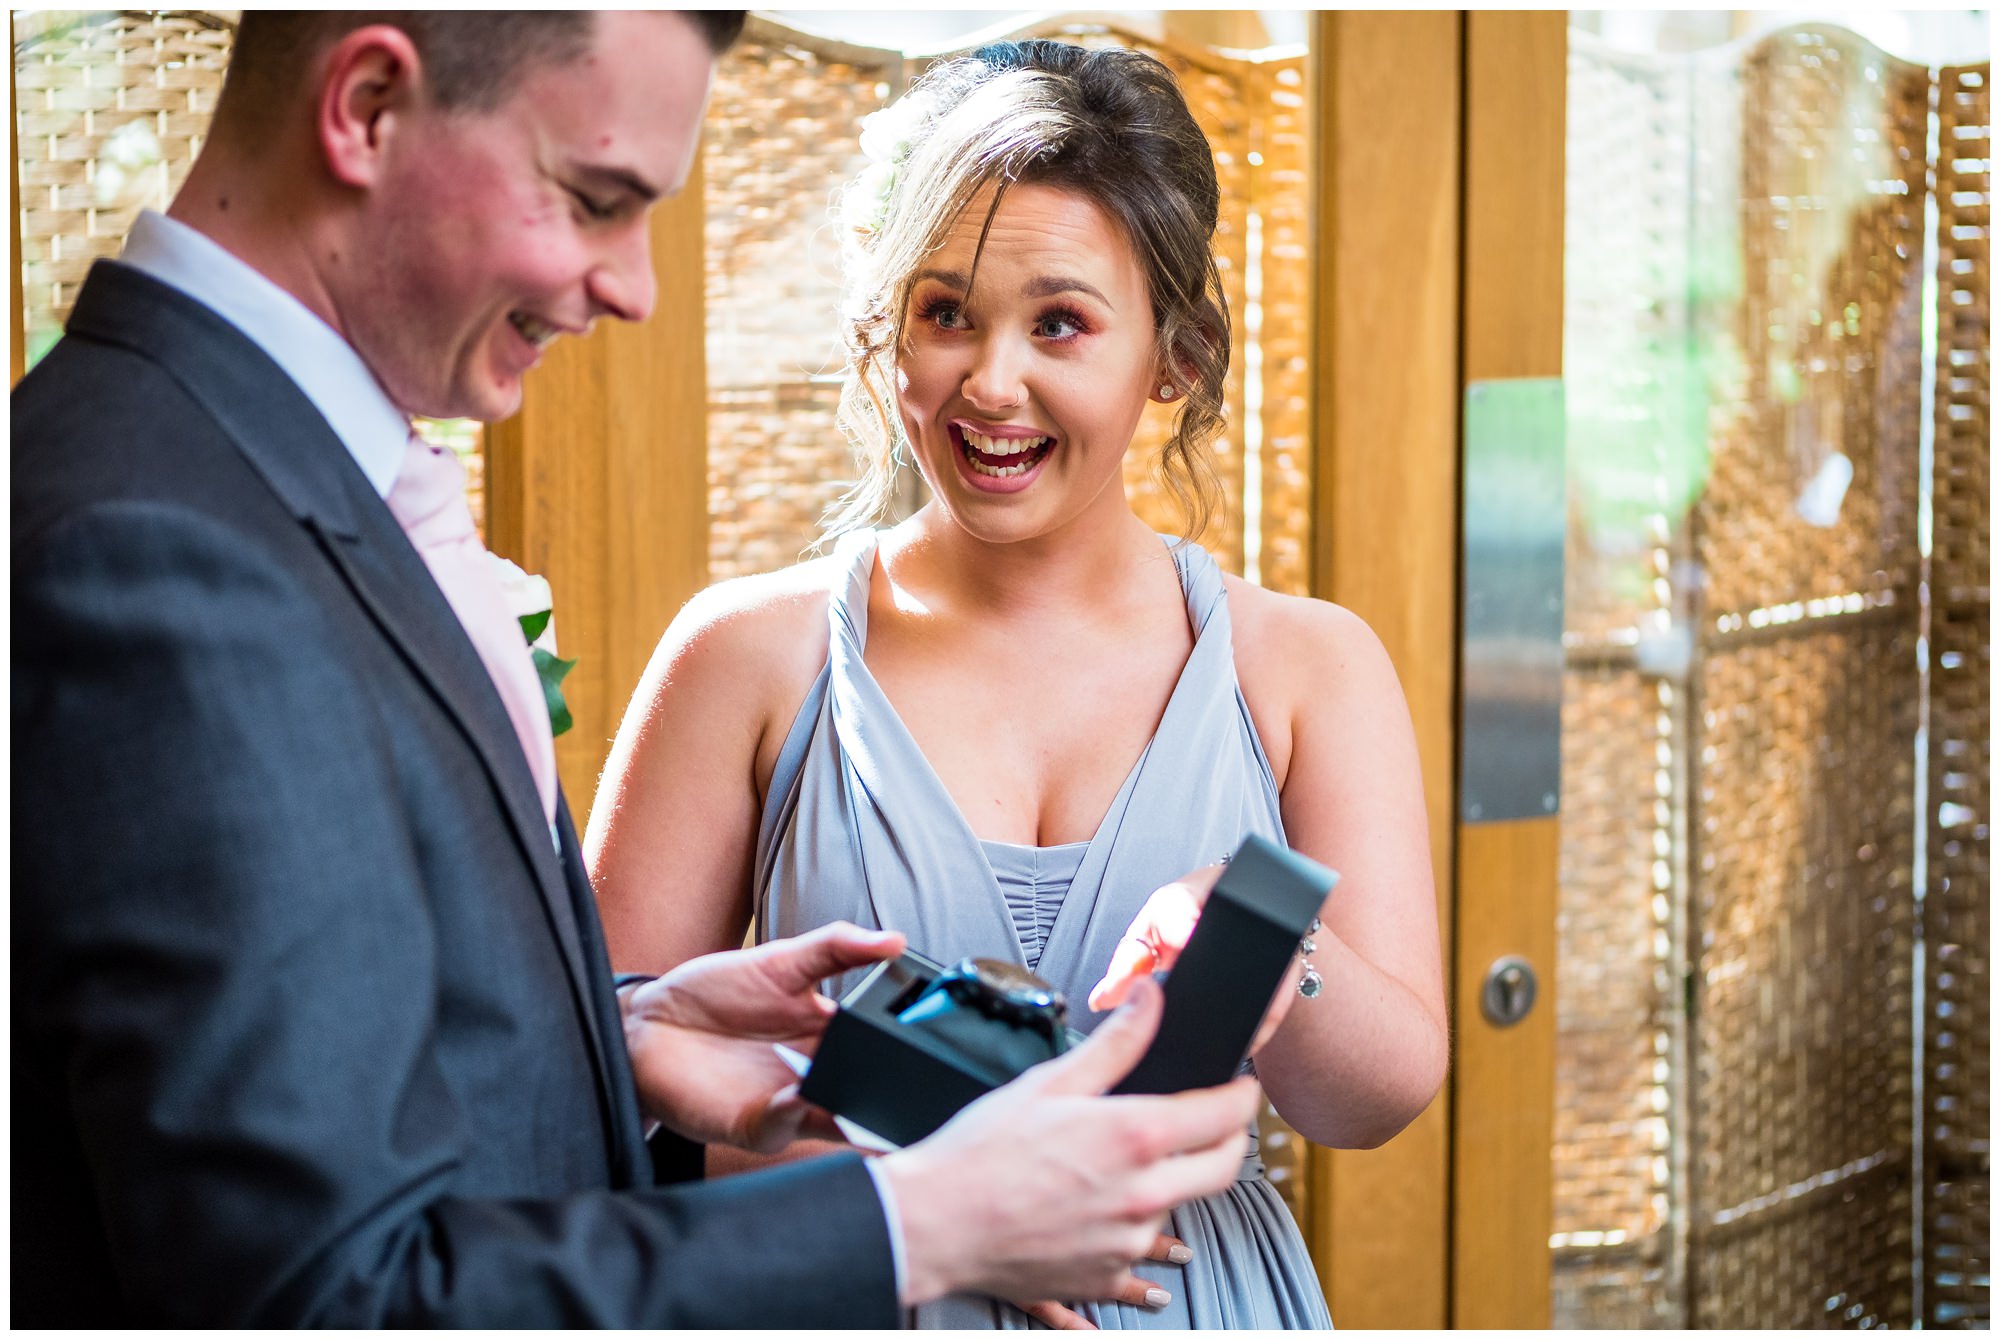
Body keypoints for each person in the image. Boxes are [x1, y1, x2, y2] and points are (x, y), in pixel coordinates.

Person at [11, 13, 1266, 1327]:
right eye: (596, 199)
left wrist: (619, 1028)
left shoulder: (264, 477)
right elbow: (326, 1295)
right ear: (369, 106)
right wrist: (920, 1223)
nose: (635, 287)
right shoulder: (151, 550)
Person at [589, 38, 1451, 1330]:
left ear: (1177, 353)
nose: (991, 383)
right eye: (946, 314)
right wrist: (931, 1208)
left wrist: (1278, 954)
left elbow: (1375, 1103)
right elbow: (591, 1108)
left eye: (1060, 322)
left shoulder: (1309, 668)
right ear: (889, 335)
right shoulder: (746, 661)